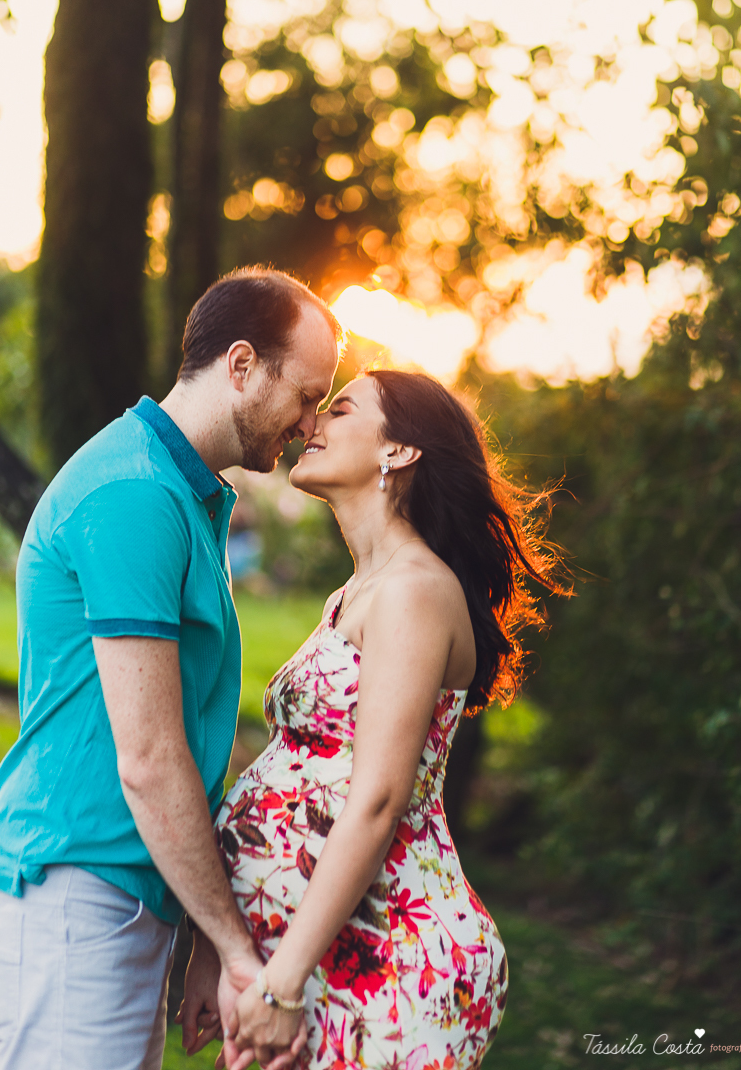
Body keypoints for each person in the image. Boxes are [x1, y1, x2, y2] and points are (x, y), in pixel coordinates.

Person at [0, 267, 340, 1070]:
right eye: (307, 396)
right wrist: (236, 952)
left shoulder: (183, 493)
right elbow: (150, 758)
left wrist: (201, 938)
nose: (311, 424)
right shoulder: (134, 493)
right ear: (241, 365)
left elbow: (183, 745)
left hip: (120, 892)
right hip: (73, 891)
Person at [180, 368, 561, 1070]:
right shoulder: (357, 592)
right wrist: (221, 949)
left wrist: (281, 984)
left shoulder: (415, 590)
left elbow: (380, 799)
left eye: (341, 409)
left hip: (393, 961)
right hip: (319, 952)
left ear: (399, 450)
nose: (311, 423)